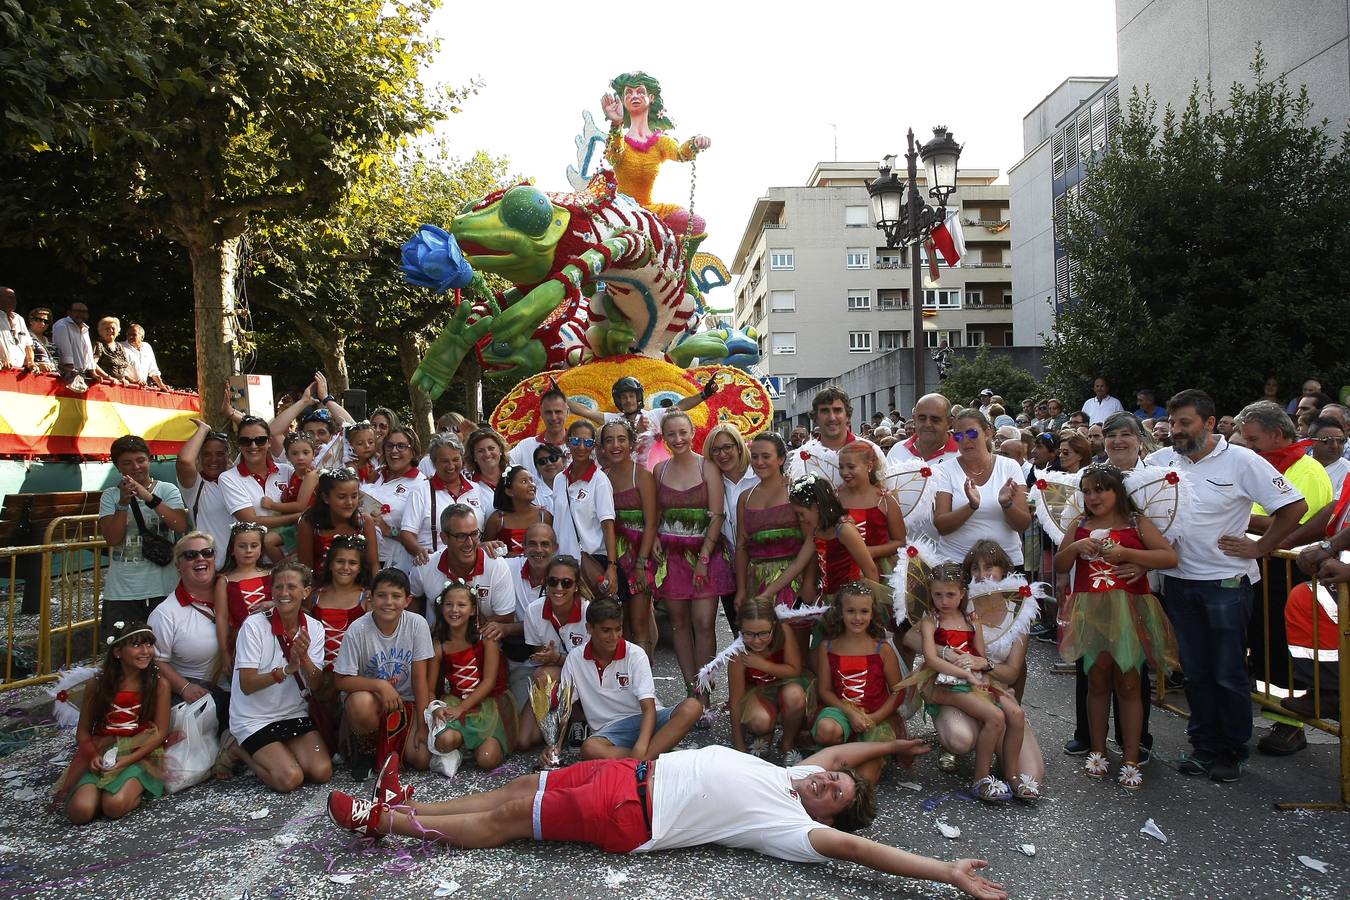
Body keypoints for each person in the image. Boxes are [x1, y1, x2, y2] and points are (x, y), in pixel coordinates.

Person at [325, 738, 1008, 900]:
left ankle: (381, 824)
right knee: (525, 783)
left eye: (838, 791)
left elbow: (864, 856)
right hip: (630, 771)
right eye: (834, 777)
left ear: (838, 816)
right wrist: (887, 746)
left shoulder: (796, 827)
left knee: (508, 815)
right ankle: (404, 809)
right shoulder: (796, 776)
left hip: (633, 812)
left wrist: (945, 871)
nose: (829, 779)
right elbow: (840, 750)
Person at [1145, 389, 1307, 781]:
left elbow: (1294, 507)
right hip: (1179, 584)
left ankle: (1232, 751)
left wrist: (1262, 547)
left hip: (1226, 584)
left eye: (1186, 423)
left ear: (1210, 423)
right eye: (1174, 422)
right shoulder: (1159, 460)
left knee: (1228, 672)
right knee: (1197, 672)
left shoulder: (1242, 460)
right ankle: (1203, 746)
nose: (1176, 430)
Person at [1054, 464, 1178, 789]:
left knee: (1129, 683)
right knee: (1096, 681)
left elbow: (1168, 557)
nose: (1093, 497)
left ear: (1117, 492)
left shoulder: (1136, 522)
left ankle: (1131, 757)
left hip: (1129, 611)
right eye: (1087, 491)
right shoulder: (1080, 524)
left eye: (1100, 489)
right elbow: (1059, 564)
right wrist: (1074, 548)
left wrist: (1132, 556)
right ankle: (1097, 751)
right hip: (1091, 613)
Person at [1230, 401, 1333, 756]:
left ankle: (1291, 724)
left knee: (1288, 648)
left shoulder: (1308, 469)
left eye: (1254, 439)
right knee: (1262, 644)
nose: (1249, 446)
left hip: (1287, 570)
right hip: (1259, 567)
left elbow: (1301, 522)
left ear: (1277, 433)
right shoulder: (1260, 465)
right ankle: (1274, 711)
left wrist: (1244, 519)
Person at [932, 543, 1045, 797]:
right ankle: (966, 761)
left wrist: (986, 664)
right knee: (962, 739)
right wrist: (944, 651)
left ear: (1005, 571)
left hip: (995, 688)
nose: (981, 575)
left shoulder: (1019, 612)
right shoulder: (956, 601)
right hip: (959, 686)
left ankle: (1011, 774)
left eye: (989, 567)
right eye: (974, 568)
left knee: (1033, 774)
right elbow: (912, 638)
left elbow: (1012, 672)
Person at [913, 565, 1021, 802]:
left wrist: (981, 673)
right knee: (995, 717)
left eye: (950, 594)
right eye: (937, 594)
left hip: (972, 680)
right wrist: (968, 675)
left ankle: (1013, 775)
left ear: (962, 594)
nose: (943, 601)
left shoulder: (972, 620)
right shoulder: (932, 621)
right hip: (945, 682)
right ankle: (981, 779)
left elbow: (981, 657)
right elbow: (931, 659)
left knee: (1015, 713)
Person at [220, 562, 331, 792]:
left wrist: (304, 659)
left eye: (291, 587)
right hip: (253, 718)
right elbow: (247, 684)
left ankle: (278, 752)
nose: (284, 593)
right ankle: (238, 749)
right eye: (278, 587)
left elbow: (316, 684)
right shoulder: (253, 626)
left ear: (306, 592)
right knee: (289, 779)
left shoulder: (315, 627)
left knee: (322, 772)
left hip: (292, 712)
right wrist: (286, 670)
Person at [653, 410, 733, 721]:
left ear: (692, 431)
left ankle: (705, 691)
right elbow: (657, 513)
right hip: (671, 557)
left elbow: (717, 516)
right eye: (671, 434)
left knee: (703, 624)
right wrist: (656, 539)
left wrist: (703, 558)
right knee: (678, 625)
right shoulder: (659, 470)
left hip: (705, 555)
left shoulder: (707, 466)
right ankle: (691, 693)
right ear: (665, 437)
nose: (678, 439)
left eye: (683, 432)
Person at [57, 621, 171, 824]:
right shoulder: (98, 684)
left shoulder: (158, 684)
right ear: (117, 652)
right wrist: (92, 755)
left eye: (149, 645)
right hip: (103, 749)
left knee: (114, 807)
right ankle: (101, 790)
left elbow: (161, 732)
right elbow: (83, 732)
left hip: (139, 752)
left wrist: (126, 761)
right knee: (80, 812)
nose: (146, 651)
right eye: (137, 645)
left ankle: (134, 789)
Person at [561, 598, 702, 761]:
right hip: (609, 731)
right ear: (589, 628)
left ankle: (642, 759)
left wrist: (641, 747)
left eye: (618, 629)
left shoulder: (635, 654)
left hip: (646, 719)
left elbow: (648, 709)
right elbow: (564, 708)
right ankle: (656, 755)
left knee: (693, 706)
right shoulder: (575, 658)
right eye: (606, 630)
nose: (614, 636)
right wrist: (554, 747)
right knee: (589, 749)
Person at [334, 567, 434, 779]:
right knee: (360, 702)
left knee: (422, 759)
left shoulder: (417, 624)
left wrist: (423, 726)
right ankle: (366, 752)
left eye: (396, 596)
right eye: (381, 595)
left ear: (407, 601)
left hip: (405, 702)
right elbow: (341, 681)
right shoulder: (358, 629)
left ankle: (391, 748)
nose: (388, 602)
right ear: (370, 598)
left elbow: (419, 680)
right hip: (373, 701)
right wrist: (380, 685)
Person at [812, 583, 908, 787]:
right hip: (842, 711)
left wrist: (874, 718)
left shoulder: (882, 649)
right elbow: (825, 690)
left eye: (864, 611)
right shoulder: (827, 647)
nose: (858, 618)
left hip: (876, 715)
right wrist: (850, 713)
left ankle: (861, 759)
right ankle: (841, 751)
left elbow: (899, 691)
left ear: (873, 613)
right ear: (840, 613)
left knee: (863, 781)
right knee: (825, 729)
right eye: (851, 611)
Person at [602, 71, 711, 239]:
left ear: (651, 98)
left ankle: (670, 256)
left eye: (640, 91)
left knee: (696, 223)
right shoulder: (619, 139)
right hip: (621, 210)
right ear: (623, 101)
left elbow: (681, 154)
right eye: (628, 93)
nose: (634, 96)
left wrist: (695, 142)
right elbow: (613, 157)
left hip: (650, 211)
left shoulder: (660, 141)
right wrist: (616, 123)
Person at [426, 580, 516, 773]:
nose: (454, 610)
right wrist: (434, 708)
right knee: (444, 742)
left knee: (487, 760)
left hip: (488, 704)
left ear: (473, 609)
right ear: (441, 608)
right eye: (449, 604)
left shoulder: (486, 639)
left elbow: (489, 681)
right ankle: (458, 747)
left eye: (461, 605)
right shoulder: (439, 645)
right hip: (455, 700)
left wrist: (463, 707)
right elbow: (430, 688)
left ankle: (474, 746)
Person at [99, 435, 188, 627]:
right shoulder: (110, 495)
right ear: (118, 466)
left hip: (163, 586)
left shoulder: (167, 490)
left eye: (141, 460)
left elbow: (179, 525)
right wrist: (122, 503)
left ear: (149, 460)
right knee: (122, 651)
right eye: (127, 463)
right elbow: (112, 539)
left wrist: (147, 496)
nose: (136, 467)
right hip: (122, 590)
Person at [932, 410, 1031, 570]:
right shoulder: (944, 470)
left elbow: (1022, 524)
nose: (965, 440)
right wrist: (971, 506)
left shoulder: (1009, 466)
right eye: (958, 436)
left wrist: (1007, 505)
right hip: (956, 563)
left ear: (987, 433)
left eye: (971, 433)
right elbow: (942, 526)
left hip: (1004, 564)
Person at [149, 533, 230, 727]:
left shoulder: (235, 592)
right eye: (191, 555)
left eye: (207, 553)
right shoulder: (166, 613)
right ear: (178, 565)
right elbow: (155, 660)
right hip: (202, 696)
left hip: (245, 689)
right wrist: (184, 687)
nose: (200, 559)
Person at [726, 596, 813, 765]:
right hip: (758, 692)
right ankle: (766, 732)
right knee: (760, 722)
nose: (757, 640)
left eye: (763, 633)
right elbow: (736, 702)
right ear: (740, 628)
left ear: (774, 625)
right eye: (748, 634)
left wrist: (762, 664)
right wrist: (739, 747)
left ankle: (788, 742)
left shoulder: (784, 632)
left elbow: (794, 670)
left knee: (794, 695)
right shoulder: (737, 654)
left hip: (787, 684)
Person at [735, 433, 813, 620]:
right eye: (754, 456)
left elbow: (811, 541)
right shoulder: (745, 497)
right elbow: (741, 546)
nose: (759, 462)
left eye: (766, 456)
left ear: (780, 459)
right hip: (757, 579)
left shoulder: (795, 491)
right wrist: (742, 588)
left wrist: (809, 582)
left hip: (794, 579)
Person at [599, 419, 659, 657]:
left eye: (622, 439)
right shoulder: (601, 477)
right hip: (610, 555)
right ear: (602, 447)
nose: (615, 445)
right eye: (609, 440)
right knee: (617, 626)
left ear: (632, 443)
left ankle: (645, 684)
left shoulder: (642, 476)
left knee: (639, 625)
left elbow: (652, 522)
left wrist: (642, 564)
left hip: (637, 556)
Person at [568, 375, 714, 469]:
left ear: (638, 397)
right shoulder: (614, 420)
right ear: (618, 400)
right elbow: (586, 411)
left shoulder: (654, 415)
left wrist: (704, 394)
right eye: (623, 397)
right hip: (627, 478)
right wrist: (561, 399)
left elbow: (681, 406)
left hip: (656, 475)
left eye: (631, 396)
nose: (628, 400)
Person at [414, 504, 515, 630]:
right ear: (444, 538)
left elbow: (506, 616)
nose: (469, 543)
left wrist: (461, 631)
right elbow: (412, 597)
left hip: (482, 643)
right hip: (436, 645)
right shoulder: (425, 564)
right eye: (461, 536)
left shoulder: (497, 565)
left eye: (474, 534)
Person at [399, 434, 484, 574]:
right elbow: (407, 534)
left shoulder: (476, 489)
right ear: (434, 463)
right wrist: (419, 551)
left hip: (472, 567)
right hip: (435, 568)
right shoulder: (420, 492)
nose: (451, 466)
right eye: (444, 461)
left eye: (456, 459)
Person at [551, 420, 619, 591]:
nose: (581, 447)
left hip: (590, 561)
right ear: (567, 442)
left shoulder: (600, 481)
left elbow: (608, 525)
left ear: (593, 447)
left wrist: (612, 566)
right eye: (575, 441)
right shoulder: (559, 479)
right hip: (562, 563)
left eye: (587, 442)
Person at [219, 415, 302, 548]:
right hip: (251, 559)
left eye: (260, 440)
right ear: (239, 443)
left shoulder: (287, 471)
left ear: (269, 441)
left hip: (288, 555)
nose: (253, 446)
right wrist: (298, 516)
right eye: (246, 441)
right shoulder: (228, 478)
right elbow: (251, 521)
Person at [707, 423, 758, 633]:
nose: (722, 454)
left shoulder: (758, 475)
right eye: (716, 450)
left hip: (760, 565)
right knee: (740, 632)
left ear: (739, 447)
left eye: (727, 447)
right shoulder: (710, 481)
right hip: (729, 570)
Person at [787, 388, 888, 488]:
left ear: (847, 415)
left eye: (837, 410)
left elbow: (885, 493)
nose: (831, 417)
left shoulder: (871, 450)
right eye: (825, 411)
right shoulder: (803, 456)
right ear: (815, 417)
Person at [211, 522, 273, 681]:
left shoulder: (271, 575)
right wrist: (224, 653)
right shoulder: (224, 580)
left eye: (254, 545)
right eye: (242, 546)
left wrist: (273, 604)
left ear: (261, 549)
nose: (248, 550)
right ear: (232, 549)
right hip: (242, 641)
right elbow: (222, 618)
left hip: (274, 637)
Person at [297, 468, 380, 578]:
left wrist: (374, 591)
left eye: (354, 496)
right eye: (342, 497)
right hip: (321, 590)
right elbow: (306, 570)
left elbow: (373, 564)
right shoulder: (309, 524)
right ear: (326, 498)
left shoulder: (364, 521)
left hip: (359, 589)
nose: (349, 502)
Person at [836, 442, 906, 572]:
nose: (845, 472)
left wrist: (869, 552)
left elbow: (900, 541)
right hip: (841, 569)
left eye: (851, 467)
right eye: (841, 467)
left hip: (877, 570)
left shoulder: (885, 500)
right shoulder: (835, 498)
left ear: (869, 466)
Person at [176, 419, 237, 565]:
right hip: (209, 566)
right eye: (207, 454)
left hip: (241, 566)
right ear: (199, 457)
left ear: (228, 455)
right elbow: (184, 460)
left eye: (220, 453)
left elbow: (259, 445)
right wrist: (203, 429)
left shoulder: (238, 479)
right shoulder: (195, 485)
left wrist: (232, 415)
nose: (213, 459)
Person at [365, 426, 426, 570]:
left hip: (394, 564)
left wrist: (388, 530)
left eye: (401, 446)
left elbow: (422, 536)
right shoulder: (376, 474)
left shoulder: (421, 484)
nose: (394, 451)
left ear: (413, 451)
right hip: (363, 556)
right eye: (390, 445)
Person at [310, 535, 370, 672]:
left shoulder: (367, 598)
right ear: (330, 564)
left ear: (360, 568)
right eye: (340, 561)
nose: (345, 567)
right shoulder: (315, 596)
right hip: (317, 671)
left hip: (353, 673)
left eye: (353, 563)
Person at [508, 385, 571, 486]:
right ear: (541, 413)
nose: (554, 417)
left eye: (558, 412)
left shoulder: (580, 446)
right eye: (548, 412)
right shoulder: (525, 447)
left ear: (567, 412)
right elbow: (502, 466)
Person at [485, 465, 552, 557]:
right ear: (509, 491)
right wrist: (506, 555)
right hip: (509, 570)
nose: (531, 485)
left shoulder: (544, 516)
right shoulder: (498, 519)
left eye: (531, 480)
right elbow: (486, 552)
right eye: (524, 481)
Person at [51, 300, 98, 387]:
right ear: (69, 312)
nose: (81, 314)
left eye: (84, 312)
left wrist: (93, 373)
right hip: (66, 376)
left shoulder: (85, 329)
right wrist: (72, 373)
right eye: (77, 311)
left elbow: (88, 354)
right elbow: (65, 352)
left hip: (81, 375)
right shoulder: (62, 325)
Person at [466, 428, 509, 516]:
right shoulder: (469, 486)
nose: (487, 454)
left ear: (500, 450)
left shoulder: (516, 476)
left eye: (491, 448)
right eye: (480, 451)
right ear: (473, 456)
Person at [1308, 416, 1350, 497]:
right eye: (1327, 440)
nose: (1335, 446)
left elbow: (1338, 506)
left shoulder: (1348, 470)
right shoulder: (1299, 464)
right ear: (1311, 441)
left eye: (1340, 440)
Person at [119, 323, 168, 390]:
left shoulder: (147, 347)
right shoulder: (120, 347)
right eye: (128, 334)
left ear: (141, 337)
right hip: (125, 387)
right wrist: (134, 381)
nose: (130, 337)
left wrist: (161, 385)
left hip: (141, 388)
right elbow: (120, 371)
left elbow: (153, 370)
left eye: (134, 335)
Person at [92, 317, 134, 385]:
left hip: (118, 386)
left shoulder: (119, 346)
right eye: (107, 329)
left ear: (118, 331)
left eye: (113, 328)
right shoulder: (98, 345)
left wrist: (123, 379)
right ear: (101, 331)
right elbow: (92, 364)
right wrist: (108, 377)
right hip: (103, 385)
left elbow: (122, 367)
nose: (110, 331)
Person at [0, 287, 32, 370]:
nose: (14, 301)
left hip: (17, 371)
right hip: (2, 368)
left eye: (14, 298)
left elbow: (28, 345)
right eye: (10, 298)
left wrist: (30, 362)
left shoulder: (19, 319)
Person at [24, 307, 57, 372]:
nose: (43, 324)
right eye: (38, 320)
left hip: (53, 377)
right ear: (31, 320)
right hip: (34, 377)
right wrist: (37, 365)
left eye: (46, 321)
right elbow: (20, 360)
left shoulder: (50, 340)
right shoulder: (25, 337)